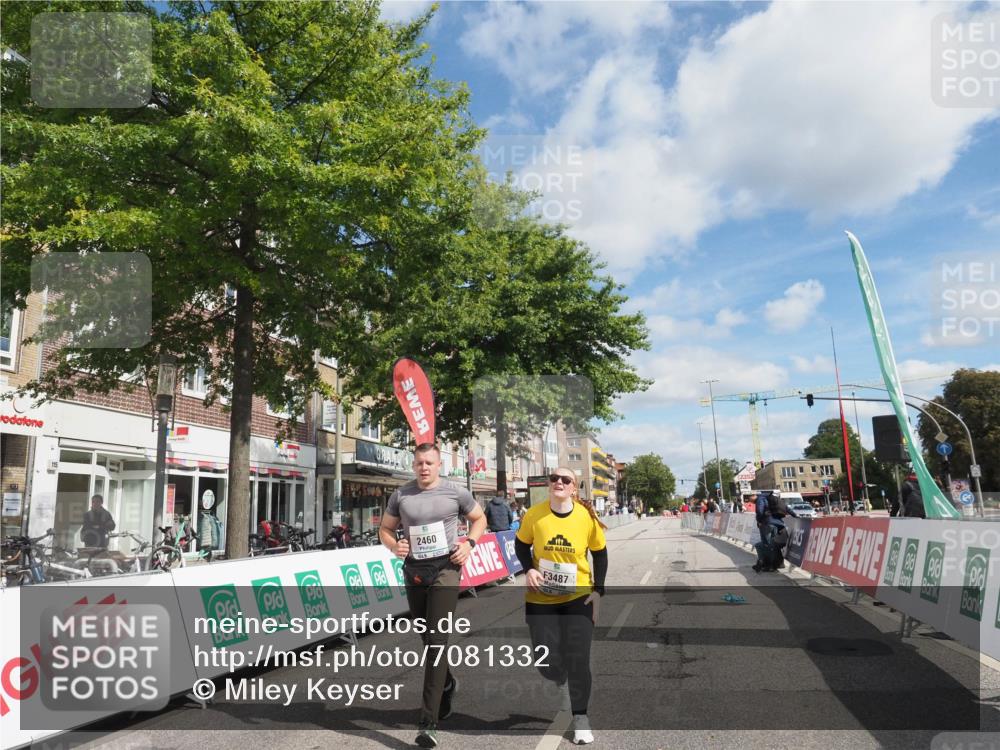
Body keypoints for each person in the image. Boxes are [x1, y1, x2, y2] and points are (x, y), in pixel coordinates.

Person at [380, 443, 487, 749]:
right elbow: (385, 529)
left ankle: (428, 723)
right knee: (427, 638)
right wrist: (394, 545)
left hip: (445, 569)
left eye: (429, 462)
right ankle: (448, 683)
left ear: (440, 465)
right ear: (413, 465)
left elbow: (480, 519)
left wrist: (469, 543)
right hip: (415, 571)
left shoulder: (455, 492)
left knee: (437, 642)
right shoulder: (401, 495)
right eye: (419, 463)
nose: (424, 467)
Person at [515, 468, 608, 746]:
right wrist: (529, 569)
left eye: (566, 480)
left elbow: (600, 554)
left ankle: (581, 718)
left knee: (578, 658)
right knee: (546, 663)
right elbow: (521, 545)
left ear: (574, 488)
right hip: (541, 598)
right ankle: (560, 678)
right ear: (549, 484)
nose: (559, 482)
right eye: (554, 478)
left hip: (578, 597)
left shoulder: (585, 517)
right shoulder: (534, 514)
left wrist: (598, 591)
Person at [753, 490, 794, 573]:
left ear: (754, 495)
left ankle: (768, 565)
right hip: (778, 524)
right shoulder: (774, 499)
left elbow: (759, 511)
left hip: (767, 523)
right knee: (774, 545)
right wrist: (795, 515)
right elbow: (787, 508)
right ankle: (778, 564)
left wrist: (759, 521)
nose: (749, 500)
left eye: (749, 497)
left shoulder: (760, 499)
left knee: (767, 545)